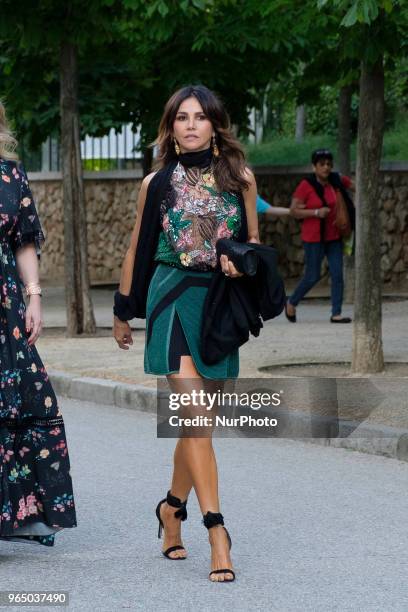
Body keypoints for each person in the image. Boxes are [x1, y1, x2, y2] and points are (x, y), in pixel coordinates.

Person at [113, 85, 260, 582]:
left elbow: (254, 245)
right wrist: (121, 309)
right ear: (171, 127)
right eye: (182, 117)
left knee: (195, 424)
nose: (192, 124)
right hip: (170, 296)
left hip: (218, 306)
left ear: (216, 124)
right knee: (195, 416)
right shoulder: (156, 182)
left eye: (201, 116)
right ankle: (217, 530)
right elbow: (137, 246)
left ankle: (170, 508)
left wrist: (243, 266)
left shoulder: (240, 178)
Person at [0, 102, 76, 546]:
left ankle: (22, 513)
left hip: (7, 305)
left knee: (20, 402)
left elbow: (24, 239)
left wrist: (34, 297)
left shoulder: (10, 175)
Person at [285, 148, 355, 323]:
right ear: (314, 166)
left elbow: (357, 186)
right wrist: (316, 212)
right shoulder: (305, 186)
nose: (326, 167)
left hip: (334, 237)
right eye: (322, 164)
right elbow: (294, 211)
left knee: (338, 274)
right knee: (312, 276)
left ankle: (336, 313)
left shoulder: (337, 180)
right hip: (313, 238)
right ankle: (291, 302)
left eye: (329, 164)